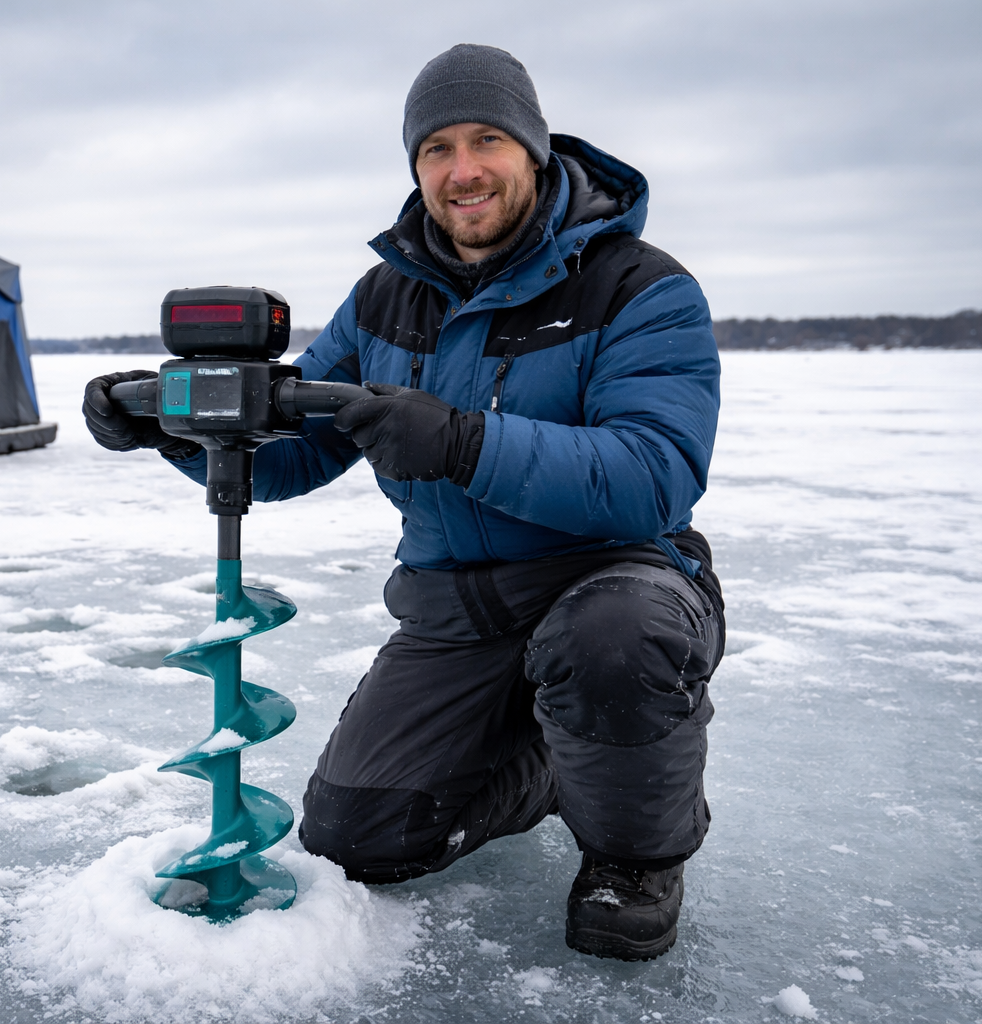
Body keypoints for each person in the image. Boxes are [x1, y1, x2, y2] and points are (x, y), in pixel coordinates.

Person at [83, 43, 723, 962]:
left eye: (487, 140)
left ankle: (634, 855)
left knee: (612, 642)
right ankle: (551, 766)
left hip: (611, 582)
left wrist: (463, 441)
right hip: (456, 609)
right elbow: (289, 459)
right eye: (436, 149)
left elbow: (653, 473)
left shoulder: (638, 286)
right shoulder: (386, 296)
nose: (462, 171)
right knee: (357, 837)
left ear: (535, 150)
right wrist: (180, 433)